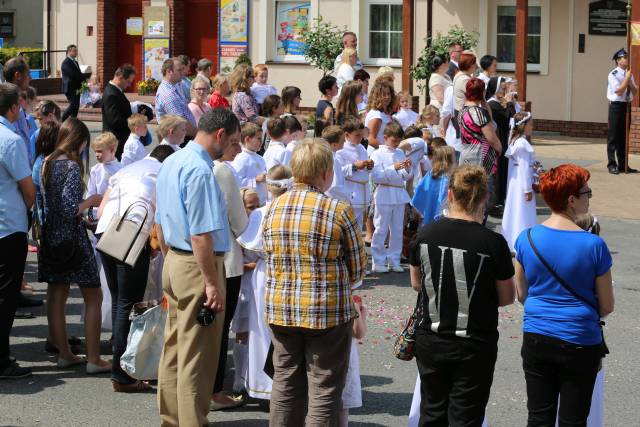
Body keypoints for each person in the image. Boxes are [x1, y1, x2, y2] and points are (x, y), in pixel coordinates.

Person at [263, 139, 366, 426]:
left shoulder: (273, 207)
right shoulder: (337, 210)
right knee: (323, 389)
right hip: (326, 312)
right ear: (325, 173)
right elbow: (358, 269)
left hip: (281, 309)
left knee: (285, 384)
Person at [409, 165, 515, 426]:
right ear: (483, 198)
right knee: (466, 415)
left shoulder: (424, 234)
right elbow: (506, 297)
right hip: (474, 341)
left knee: (432, 411)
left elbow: (416, 283)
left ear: (450, 194)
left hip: (432, 336)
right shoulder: (493, 242)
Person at [155, 108, 240, 426]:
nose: (233, 147)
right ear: (220, 135)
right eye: (232, 140)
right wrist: (211, 283)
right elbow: (201, 234)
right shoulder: (201, 171)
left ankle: (172, 420)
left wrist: (171, 259)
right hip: (197, 264)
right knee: (197, 357)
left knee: (175, 349)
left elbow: (161, 221)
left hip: (176, 260)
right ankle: (191, 422)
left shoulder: (172, 160)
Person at [513, 164, 614, 426]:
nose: (589, 197)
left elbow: (521, 292)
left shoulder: (526, 238)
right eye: (586, 192)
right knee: (573, 419)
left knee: (538, 417)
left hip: (537, 333)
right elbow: (607, 305)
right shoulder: (594, 245)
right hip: (579, 338)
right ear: (571, 199)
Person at [96, 144, 174, 392]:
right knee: (128, 304)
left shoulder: (128, 168)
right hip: (131, 234)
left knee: (121, 300)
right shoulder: (162, 173)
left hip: (105, 232)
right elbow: (161, 222)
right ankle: (123, 374)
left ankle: (123, 370)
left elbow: (102, 207)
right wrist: (167, 254)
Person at [38, 117, 110, 374]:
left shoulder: (46, 162)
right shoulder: (69, 167)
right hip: (72, 241)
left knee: (56, 296)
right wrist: (90, 200)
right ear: (79, 142)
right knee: (94, 295)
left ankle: (64, 354)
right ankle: (94, 358)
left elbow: (48, 205)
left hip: (51, 237)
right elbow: (70, 208)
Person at [236, 164, 292, 405]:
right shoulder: (296, 210)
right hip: (292, 273)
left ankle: (263, 384)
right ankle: (288, 384)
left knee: (261, 329)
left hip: (265, 273)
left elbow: (248, 252)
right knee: (287, 329)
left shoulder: (261, 213)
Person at [0, 83, 36, 379]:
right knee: (5, 296)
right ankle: (1, 360)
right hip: (8, 227)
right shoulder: (10, 140)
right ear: (13, 109)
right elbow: (28, 189)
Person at [210, 137, 249, 410]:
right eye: (234, 143)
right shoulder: (221, 170)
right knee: (219, 329)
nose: (237, 149)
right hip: (224, 257)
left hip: (187, 254)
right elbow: (238, 220)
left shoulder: (181, 163)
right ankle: (214, 391)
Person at [370, 122, 412, 273]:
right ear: (385, 137)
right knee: (381, 228)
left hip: (399, 194)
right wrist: (393, 168)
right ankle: (378, 261)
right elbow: (376, 177)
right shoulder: (377, 154)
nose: (396, 144)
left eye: (398, 141)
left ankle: (394, 259)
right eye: (394, 141)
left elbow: (406, 177)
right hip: (384, 193)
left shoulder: (400, 153)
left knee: (397, 229)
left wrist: (407, 169)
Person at [502, 112, 536, 252]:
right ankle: (521, 242)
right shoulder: (522, 144)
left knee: (515, 210)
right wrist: (527, 189)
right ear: (524, 125)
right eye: (531, 123)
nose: (532, 126)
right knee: (522, 212)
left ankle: (512, 240)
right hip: (522, 184)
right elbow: (524, 168)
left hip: (516, 184)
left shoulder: (516, 141)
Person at [458, 79, 502, 179]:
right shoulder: (479, 113)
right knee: (482, 189)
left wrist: (483, 101)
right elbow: (492, 139)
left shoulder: (462, 111)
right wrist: (500, 148)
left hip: (465, 153)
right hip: (480, 157)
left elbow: (488, 119)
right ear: (481, 92)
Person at [486, 76, 517, 210]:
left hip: (503, 138)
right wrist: (509, 103)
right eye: (502, 88)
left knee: (503, 169)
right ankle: (496, 201)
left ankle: (501, 198)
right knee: (498, 170)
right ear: (495, 89)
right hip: (499, 138)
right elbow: (508, 116)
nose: (504, 91)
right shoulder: (492, 104)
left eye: (505, 89)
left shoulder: (497, 103)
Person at [337, 117, 372, 232]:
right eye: (357, 135)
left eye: (361, 135)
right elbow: (338, 171)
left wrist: (369, 166)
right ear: (347, 135)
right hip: (350, 191)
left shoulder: (361, 147)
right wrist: (354, 167)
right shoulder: (340, 150)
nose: (360, 138)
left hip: (362, 190)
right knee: (349, 226)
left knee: (358, 226)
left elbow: (365, 167)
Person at [606, 48, 638, 174]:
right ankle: (611, 164)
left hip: (626, 106)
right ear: (618, 61)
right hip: (616, 107)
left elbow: (635, 92)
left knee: (624, 137)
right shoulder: (613, 74)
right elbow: (618, 91)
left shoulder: (630, 74)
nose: (627, 59)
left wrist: (630, 80)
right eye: (624, 57)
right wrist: (627, 79)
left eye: (627, 57)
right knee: (613, 137)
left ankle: (623, 165)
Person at [411, 144, 456, 225]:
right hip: (444, 214)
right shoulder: (446, 178)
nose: (455, 159)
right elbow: (443, 198)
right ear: (448, 160)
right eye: (454, 157)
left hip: (431, 212)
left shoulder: (432, 173)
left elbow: (420, 189)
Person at [155, 58, 197, 137]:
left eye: (182, 69)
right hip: (180, 140)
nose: (183, 73)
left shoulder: (175, 85)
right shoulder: (168, 95)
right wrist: (199, 137)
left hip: (182, 138)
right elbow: (181, 124)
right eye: (179, 70)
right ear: (169, 71)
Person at [102, 64, 136, 159]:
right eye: (128, 82)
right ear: (120, 78)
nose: (129, 85)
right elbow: (115, 121)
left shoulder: (116, 90)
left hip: (118, 140)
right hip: (115, 141)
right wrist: (134, 122)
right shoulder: (111, 94)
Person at [3, 57, 32, 161]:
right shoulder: (5, 102)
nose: (30, 78)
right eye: (28, 74)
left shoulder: (17, 99)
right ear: (17, 75)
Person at [233, 122, 268, 204]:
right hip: (248, 205)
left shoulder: (260, 158)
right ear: (247, 139)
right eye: (258, 139)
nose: (261, 142)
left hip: (262, 201)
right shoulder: (240, 159)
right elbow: (236, 181)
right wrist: (255, 180)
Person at [86, 132, 122, 200]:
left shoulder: (121, 169)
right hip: (98, 208)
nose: (96, 154)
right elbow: (90, 193)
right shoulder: (95, 169)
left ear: (111, 150)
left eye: (100, 151)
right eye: (95, 151)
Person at [452, 51, 478, 139]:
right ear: (469, 65)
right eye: (474, 63)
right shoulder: (465, 79)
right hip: (464, 114)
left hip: (459, 112)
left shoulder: (460, 74)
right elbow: (476, 96)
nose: (476, 66)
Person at [365, 80, 395, 153]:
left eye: (388, 94)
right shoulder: (376, 116)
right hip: (377, 154)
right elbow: (370, 139)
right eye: (383, 94)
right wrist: (387, 150)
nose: (387, 97)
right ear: (376, 96)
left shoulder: (385, 113)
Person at [323, 125, 349, 202]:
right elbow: (334, 187)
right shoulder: (332, 159)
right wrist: (348, 196)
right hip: (332, 200)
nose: (345, 141)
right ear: (334, 144)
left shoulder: (326, 155)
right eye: (342, 140)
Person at [61, 44, 87, 121]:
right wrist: (82, 79)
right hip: (70, 87)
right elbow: (72, 74)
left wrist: (84, 82)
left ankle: (73, 122)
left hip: (76, 87)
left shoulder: (75, 62)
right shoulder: (66, 62)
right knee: (73, 105)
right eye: (74, 51)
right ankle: (61, 120)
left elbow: (79, 73)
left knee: (76, 106)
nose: (76, 52)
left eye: (76, 51)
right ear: (69, 52)